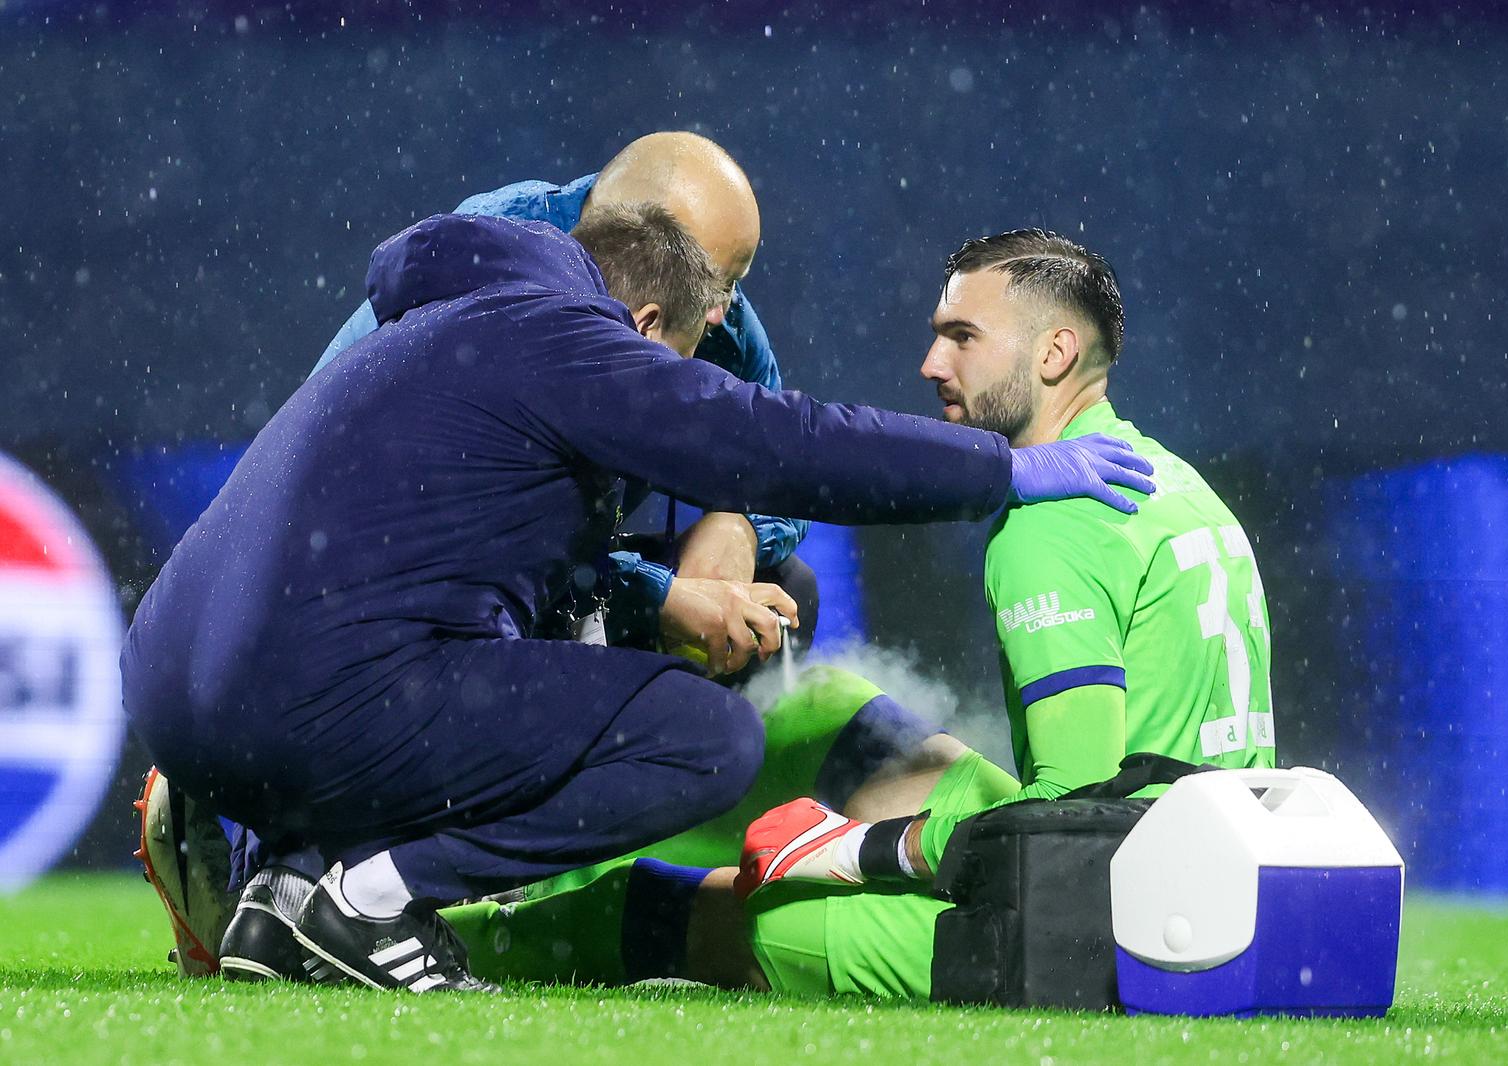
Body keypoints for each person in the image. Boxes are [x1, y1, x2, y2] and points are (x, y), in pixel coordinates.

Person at [122, 211, 1156, 993]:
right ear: (644, 323)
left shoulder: (430, 332)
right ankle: (370, 900)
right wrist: (998, 471)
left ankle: (283, 889)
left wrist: (653, 591)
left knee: (535, 631)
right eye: (686, 364)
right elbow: (776, 443)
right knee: (700, 736)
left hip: (178, 703)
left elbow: (448, 564)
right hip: (316, 698)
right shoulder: (570, 340)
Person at [447, 228, 1276, 1000]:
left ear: (1055, 352)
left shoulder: (1051, 528)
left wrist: (851, 850)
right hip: (1204, 886)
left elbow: (1072, 821)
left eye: (962, 336)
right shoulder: (1173, 485)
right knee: (821, 711)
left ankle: (459, 938)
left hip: (1106, 932)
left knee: (716, 915)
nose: (929, 361)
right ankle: (533, 864)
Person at [317, 130, 813, 656]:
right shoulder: (484, 271)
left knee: (783, 588)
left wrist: (740, 529)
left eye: (731, 283)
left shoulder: (721, 319)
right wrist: (662, 597)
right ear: (642, 245)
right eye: (710, 281)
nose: (719, 313)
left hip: (574, 575)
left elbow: (791, 466)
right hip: (424, 593)